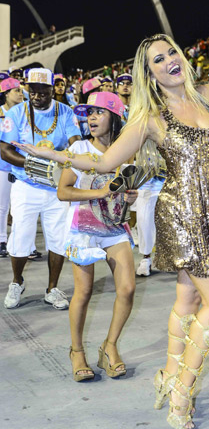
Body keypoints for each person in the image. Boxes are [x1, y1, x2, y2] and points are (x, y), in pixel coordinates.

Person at [15, 32, 209, 429]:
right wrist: (52, 154)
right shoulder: (150, 117)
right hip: (182, 214)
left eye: (171, 53)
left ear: (182, 55)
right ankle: (182, 393)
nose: (169, 62)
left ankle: (167, 374)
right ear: (149, 74)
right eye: (157, 61)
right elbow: (107, 159)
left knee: (186, 297)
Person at [57, 92, 137, 382]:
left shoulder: (124, 151)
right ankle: (77, 351)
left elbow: (125, 193)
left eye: (99, 112)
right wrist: (99, 192)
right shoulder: (78, 148)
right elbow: (63, 191)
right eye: (89, 112)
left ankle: (109, 347)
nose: (91, 118)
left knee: (127, 289)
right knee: (84, 292)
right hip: (84, 230)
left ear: (114, 117)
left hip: (115, 228)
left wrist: (130, 197)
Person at [0, 68, 82, 309]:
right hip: (25, 185)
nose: (36, 96)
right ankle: (16, 282)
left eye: (42, 92)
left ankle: (52, 288)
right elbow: (5, 149)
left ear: (51, 89)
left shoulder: (65, 112)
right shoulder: (16, 113)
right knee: (21, 236)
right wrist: (35, 164)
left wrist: (68, 158)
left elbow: (75, 143)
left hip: (56, 187)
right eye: (32, 92)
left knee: (58, 238)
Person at [0, 77, 25, 258]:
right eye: (16, 90)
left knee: (19, 207)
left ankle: (22, 243)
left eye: (21, 90)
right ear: (6, 94)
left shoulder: (24, 112)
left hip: (21, 166)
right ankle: (1, 240)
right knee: (2, 206)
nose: (20, 93)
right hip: (2, 165)